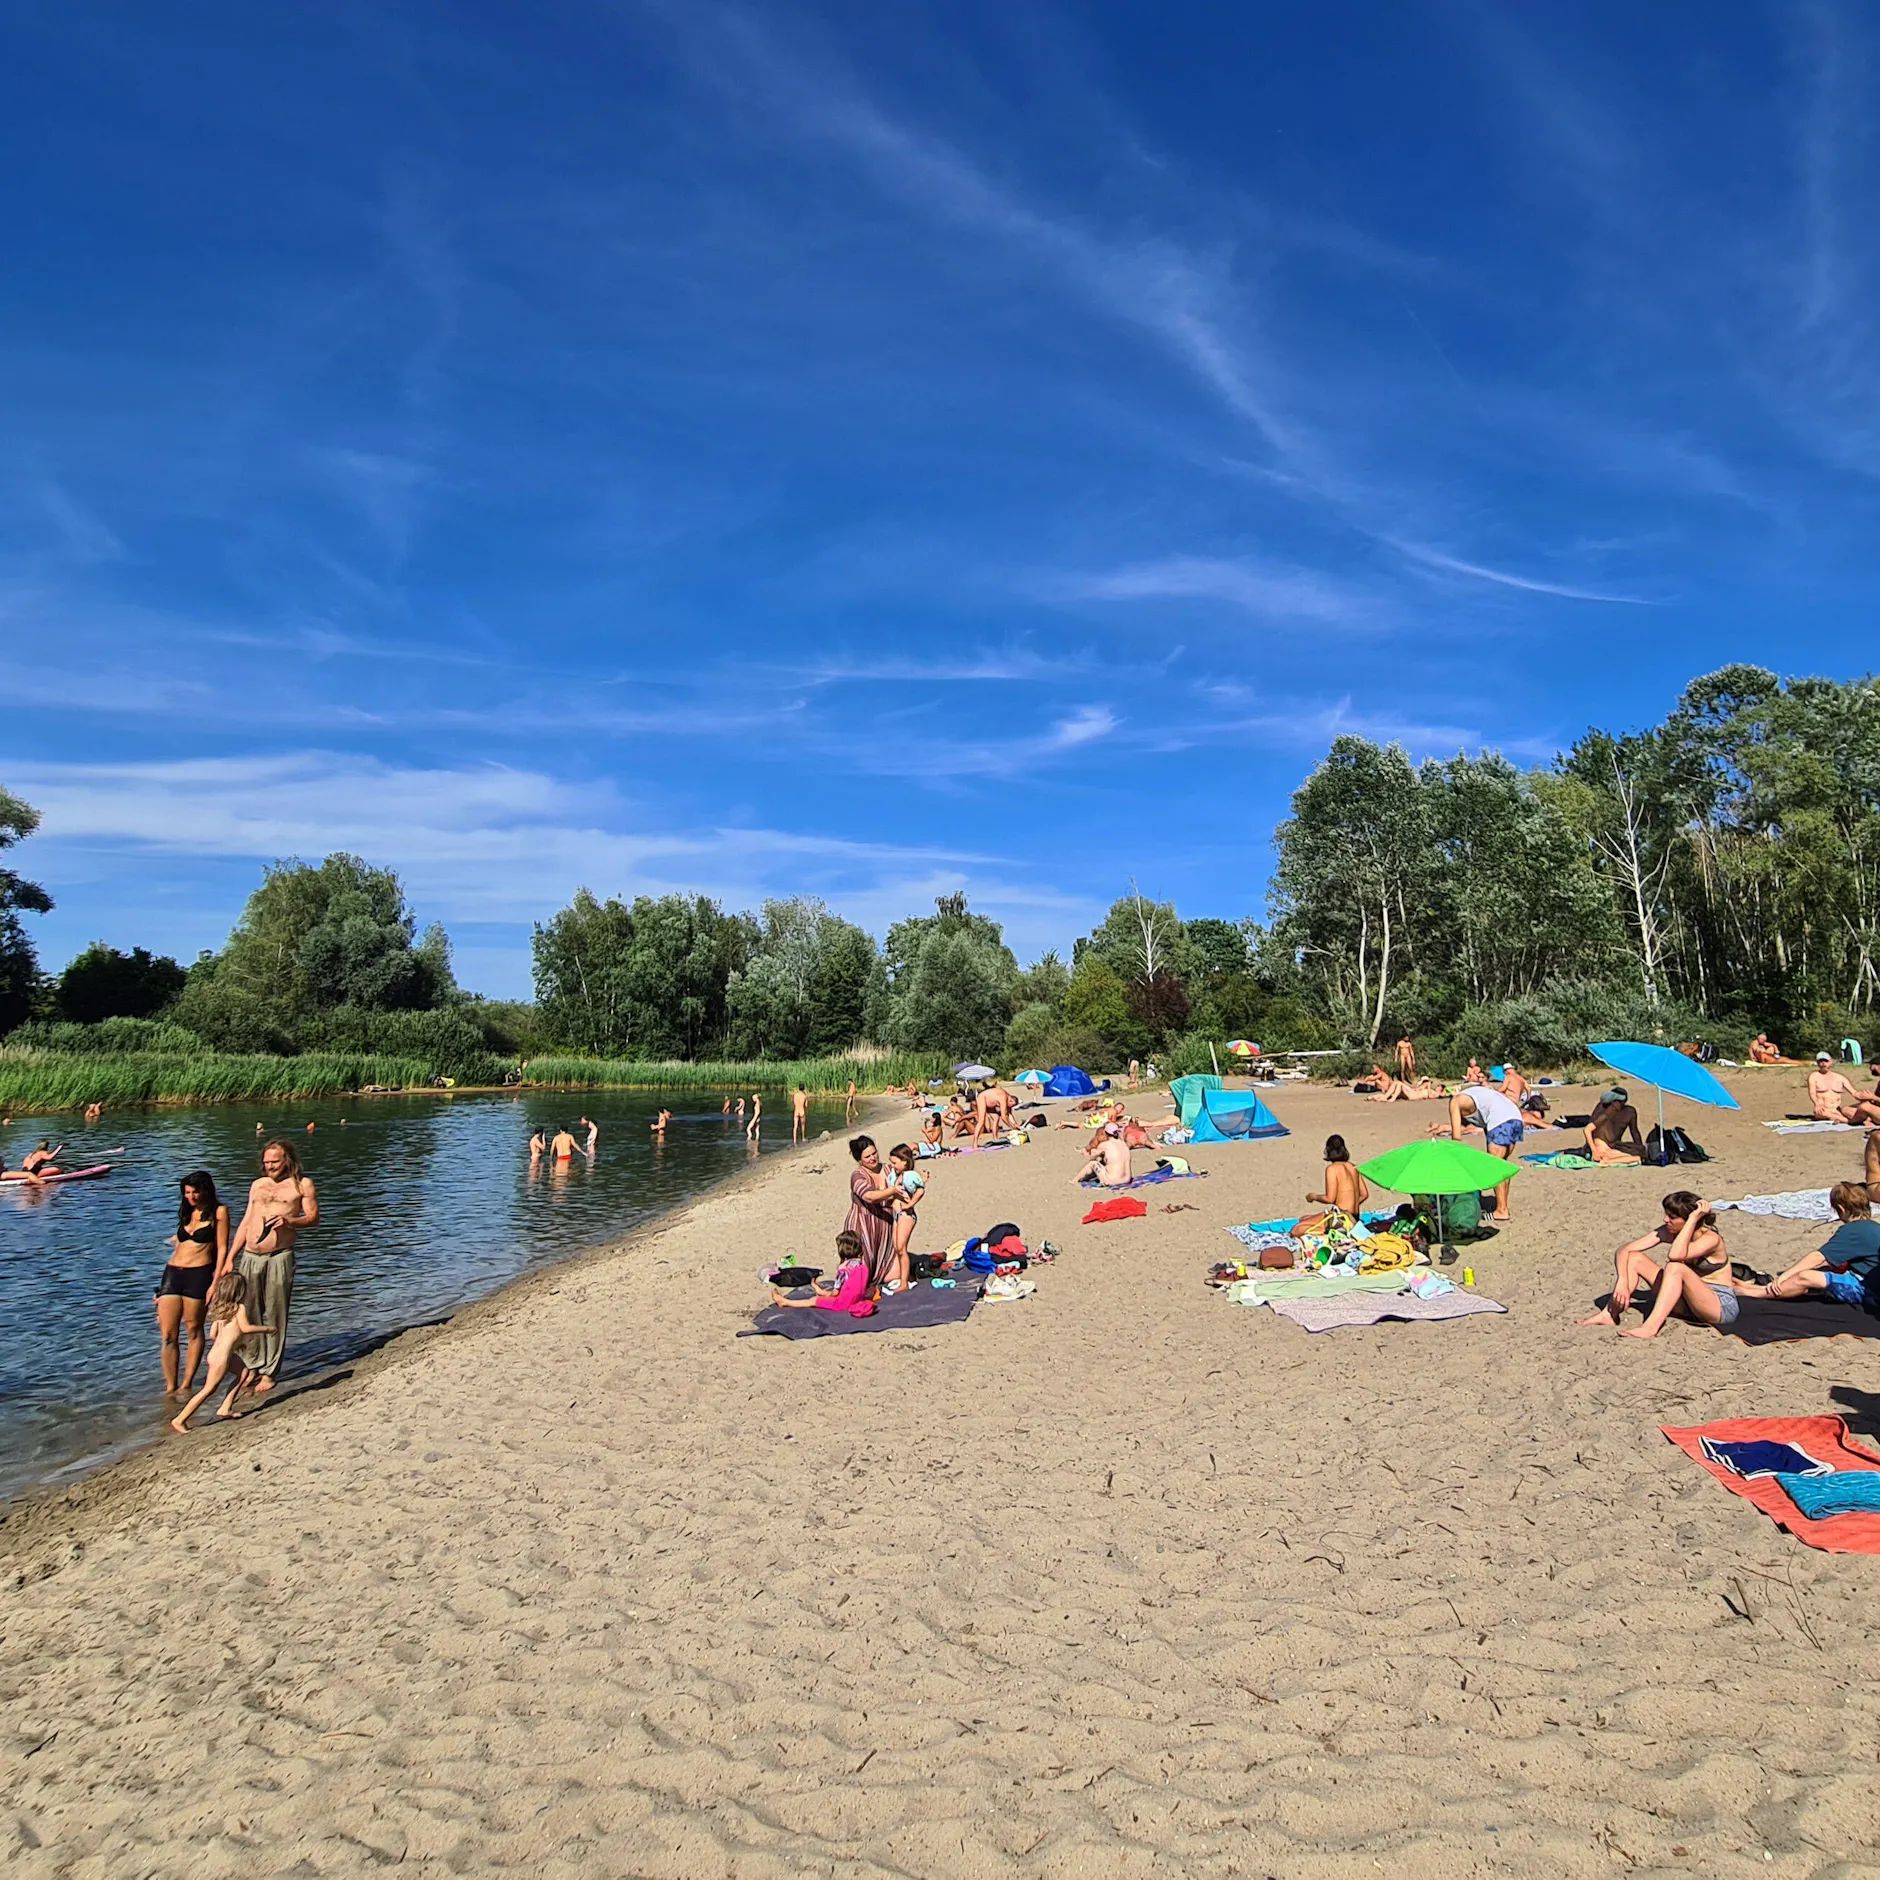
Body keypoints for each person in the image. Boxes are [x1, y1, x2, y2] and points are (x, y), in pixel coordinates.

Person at [223, 1139, 317, 1395]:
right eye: (266, 1162)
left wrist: (290, 1221)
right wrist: (231, 1256)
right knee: (247, 1312)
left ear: (287, 1159)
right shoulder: (257, 1185)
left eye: (274, 1161)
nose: (269, 1166)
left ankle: (270, 1371)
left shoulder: (302, 1185)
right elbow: (246, 1221)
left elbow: (313, 1218)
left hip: (280, 1256)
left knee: (276, 1312)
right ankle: (252, 1363)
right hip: (251, 1256)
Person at [1578, 1192, 1728, 1329]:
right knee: (1634, 1258)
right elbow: (1624, 1250)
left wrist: (1694, 1218)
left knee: (1675, 1267)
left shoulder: (1711, 1239)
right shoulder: (1670, 1231)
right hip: (1686, 1303)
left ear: (1689, 1220)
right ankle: (1609, 1314)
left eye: (1672, 1217)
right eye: (1666, 1214)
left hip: (1717, 1307)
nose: (1665, 1220)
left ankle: (1650, 1327)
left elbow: (1676, 1255)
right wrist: (1622, 1281)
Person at [169, 1271, 274, 1432]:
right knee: (208, 1389)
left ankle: (225, 1407)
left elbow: (213, 1335)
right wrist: (267, 1329)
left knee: (244, 1372)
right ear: (240, 1291)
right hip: (222, 1358)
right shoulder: (239, 1308)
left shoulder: (221, 1310)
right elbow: (245, 1328)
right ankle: (180, 1419)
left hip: (216, 1354)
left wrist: (234, 1344)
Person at [1739, 1183, 1880, 1302]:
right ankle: (1759, 1288)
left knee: (1804, 1277)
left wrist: (1785, 1275)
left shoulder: (1852, 1230)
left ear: (1841, 1209)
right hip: (1872, 1281)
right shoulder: (1874, 1227)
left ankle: (1758, 1293)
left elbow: (1817, 1258)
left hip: (1868, 1290)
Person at [156, 1170, 228, 1396]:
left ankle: (187, 1385)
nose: (191, 1197)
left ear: (206, 1190)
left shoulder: (219, 1212)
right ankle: (170, 1388)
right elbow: (179, 1244)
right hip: (172, 1274)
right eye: (187, 1193)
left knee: (194, 1329)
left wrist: (215, 1283)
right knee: (168, 1334)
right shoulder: (186, 1213)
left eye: (195, 1192)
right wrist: (159, 1291)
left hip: (200, 1274)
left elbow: (223, 1248)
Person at [1446, 1084, 1524, 1220]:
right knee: (1502, 1165)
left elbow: (1457, 1138)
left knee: (1494, 1166)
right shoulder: (1479, 1096)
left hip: (1500, 1119)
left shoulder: (1455, 1101)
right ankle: (1503, 1206)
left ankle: (1501, 1210)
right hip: (1515, 1116)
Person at [768, 1230, 873, 1315]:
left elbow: (835, 1293)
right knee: (828, 1295)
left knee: (813, 1300)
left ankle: (785, 1302)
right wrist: (824, 1293)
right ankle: (821, 1292)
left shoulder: (844, 1270)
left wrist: (824, 1296)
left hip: (843, 1304)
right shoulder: (863, 1266)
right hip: (857, 1300)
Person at [845, 1136, 899, 1290]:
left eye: (874, 1153)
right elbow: (869, 1196)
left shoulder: (888, 1169)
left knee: (892, 1271)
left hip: (885, 1225)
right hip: (863, 1225)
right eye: (867, 1156)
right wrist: (892, 1190)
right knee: (861, 1272)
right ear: (860, 1160)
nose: (873, 1158)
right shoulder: (858, 1176)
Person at [885, 1143, 924, 1293]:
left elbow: (920, 1190)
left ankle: (904, 1282)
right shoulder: (893, 1176)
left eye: (894, 1162)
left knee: (901, 1247)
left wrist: (910, 1204)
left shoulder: (910, 1176)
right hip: (896, 1214)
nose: (892, 1165)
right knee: (896, 1247)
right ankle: (903, 1277)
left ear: (905, 1161)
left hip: (906, 1215)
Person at [1306, 1135, 1370, 1218]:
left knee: (1299, 1226)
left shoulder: (1332, 1169)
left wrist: (1313, 1197)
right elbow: (1364, 1194)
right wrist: (1351, 1204)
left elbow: (1329, 1198)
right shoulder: (1353, 1167)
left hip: (1342, 1218)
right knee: (1306, 1219)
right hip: (1355, 1217)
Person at [1584, 1088, 1645, 1165]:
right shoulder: (1603, 1115)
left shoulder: (1629, 1112)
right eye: (1621, 1102)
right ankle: (1607, 1161)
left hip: (1612, 1147)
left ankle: (1608, 1160)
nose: (1622, 1104)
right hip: (1603, 1150)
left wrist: (1639, 1146)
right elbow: (1588, 1129)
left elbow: (1634, 1132)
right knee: (1636, 1158)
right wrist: (1593, 1151)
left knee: (1639, 1151)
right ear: (1614, 1102)